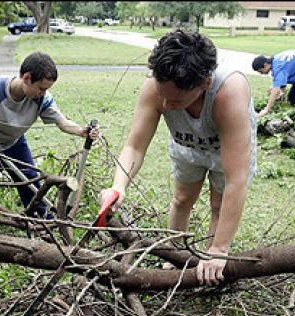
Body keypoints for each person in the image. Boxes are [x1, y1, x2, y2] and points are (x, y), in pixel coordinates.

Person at [99, 30, 257, 286]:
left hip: (225, 150)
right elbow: (135, 147)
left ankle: (209, 259)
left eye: (175, 100)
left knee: (218, 204)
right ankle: (174, 254)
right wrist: (119, 186)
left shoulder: (229, 93)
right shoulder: (155, 88)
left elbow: (235, 180)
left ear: (204, 83)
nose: (165, 103)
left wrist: (219, 249)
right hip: (187, 144)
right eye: (162, 94)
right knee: (182, 199)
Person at [0, 51, 99, 219]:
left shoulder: (41, 99)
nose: (43, 93)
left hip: (14, 142)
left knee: (30, 182)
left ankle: (41, 221)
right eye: (41, 88)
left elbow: (62, 122)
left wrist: (82, 131)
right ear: (27, 78)